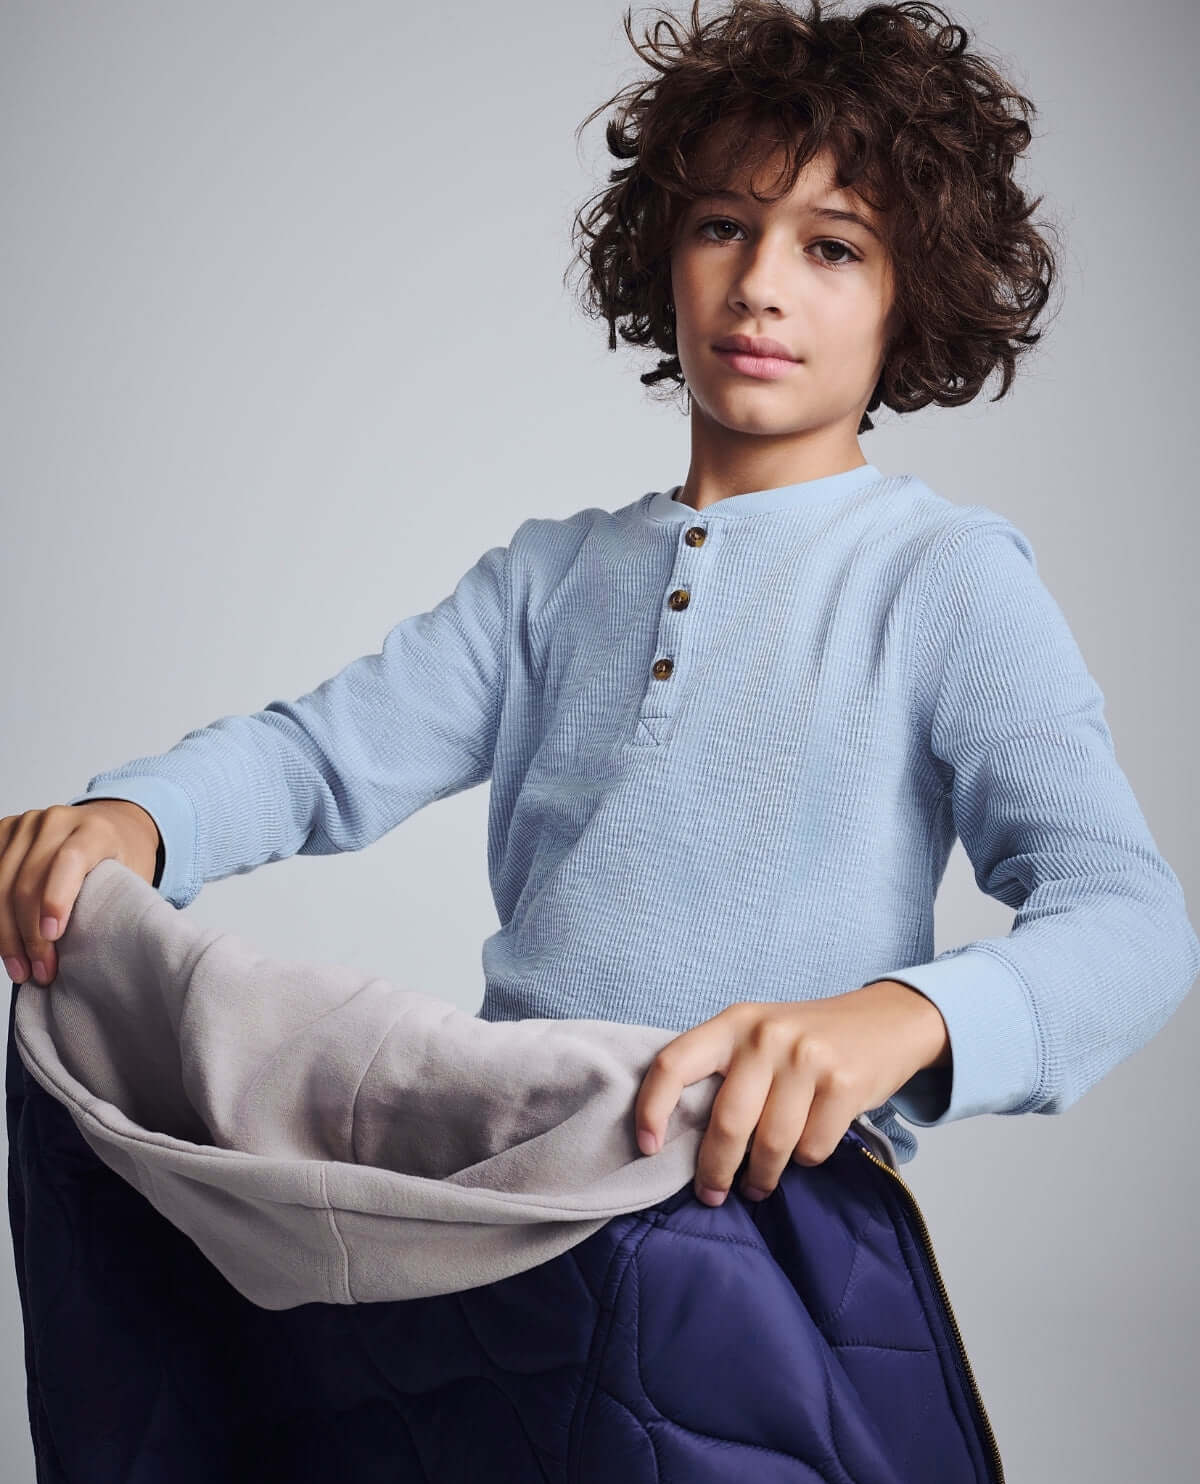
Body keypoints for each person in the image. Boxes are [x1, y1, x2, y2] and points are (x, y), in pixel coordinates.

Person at [2, 0, 1197, 1209]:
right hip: (508, 1198)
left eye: (833, 247)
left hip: (763, 1208)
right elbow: (315, 759)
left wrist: (905, 1017)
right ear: (663, 252)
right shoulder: (548, 578)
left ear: (910, 291)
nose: (759, 285)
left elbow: (1132, 922)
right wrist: (136, 819)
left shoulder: (942, 576)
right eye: (723, 226)